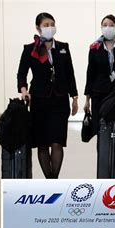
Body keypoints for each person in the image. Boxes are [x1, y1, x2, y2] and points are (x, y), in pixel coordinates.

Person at [17, 12, 78, 179]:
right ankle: (49, 181)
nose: (50, 27)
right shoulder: (30, 49)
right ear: (38, 28)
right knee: (42, 144)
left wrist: (75, 97)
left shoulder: (63, 47)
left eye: (52, 24)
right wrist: (24, 90)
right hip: (39, 100)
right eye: (46, 25)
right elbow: (21, 74)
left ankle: (54, 180)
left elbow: (69, 74)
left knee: (57, 142)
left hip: (60, 101)